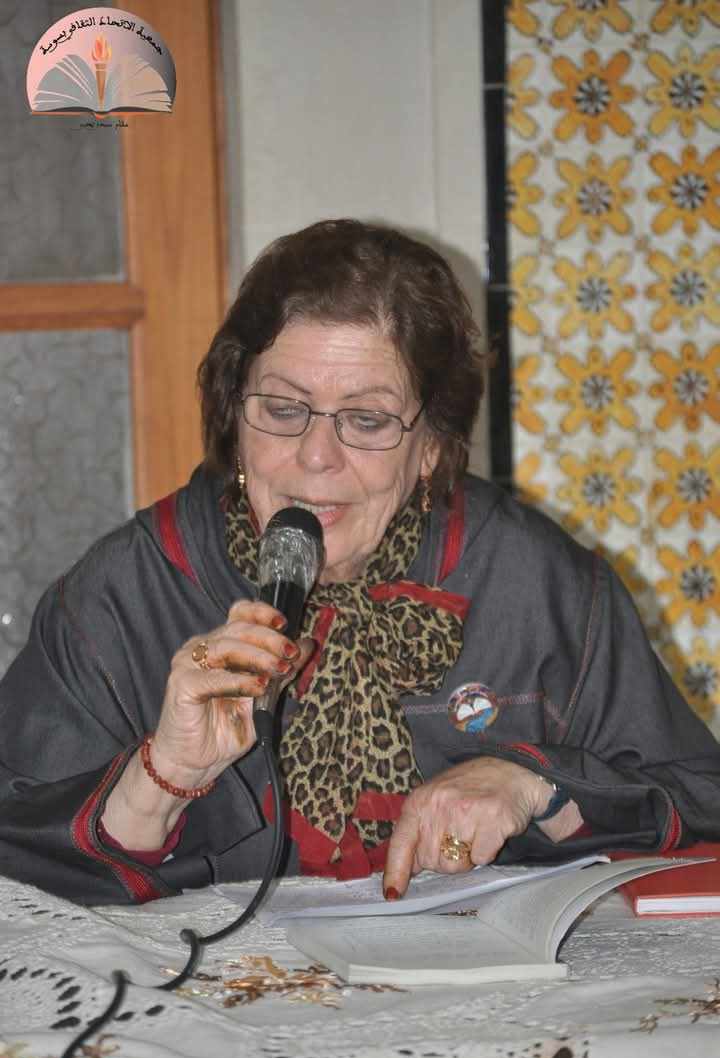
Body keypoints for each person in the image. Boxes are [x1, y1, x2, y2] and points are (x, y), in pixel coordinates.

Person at [1, 219, 719, 906]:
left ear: (432, 445)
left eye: (368, 420)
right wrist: (161, 779)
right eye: (283, 410)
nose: (317, 457)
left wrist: (536, 785)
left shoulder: (538, 584)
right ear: (233, 416)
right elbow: (17, 862)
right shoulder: (123, 594)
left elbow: (700, 800)